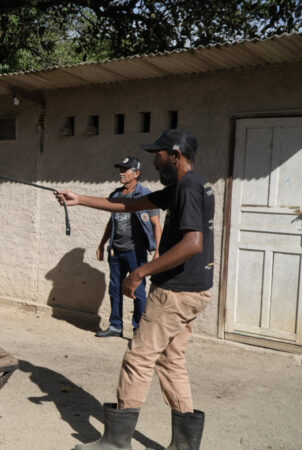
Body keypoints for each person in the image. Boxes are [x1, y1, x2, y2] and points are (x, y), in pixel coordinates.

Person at [55, 129, 214, 450]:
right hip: (196, 292)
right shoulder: (191, 185)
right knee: (170, 360)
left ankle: (115, 442)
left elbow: (193, 243)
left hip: (174, 292)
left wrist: (140, 271)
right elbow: (130, 205)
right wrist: (80, 199)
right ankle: (185, 446)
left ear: (175, 155)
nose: (155, 162)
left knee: (138, 359)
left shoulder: (187, 188)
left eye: (159, 155)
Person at [95, 156, 162, 338]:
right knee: (115, 288)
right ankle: (116, 326)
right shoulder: (115, 195)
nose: (121, 173)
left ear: (137, 173)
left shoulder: (145, 195)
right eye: (120, 170)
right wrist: (103, 243)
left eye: (125, 170)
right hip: (115, 251)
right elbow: (112, 222)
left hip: (136, 252)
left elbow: (156, 224)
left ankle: (138, 329)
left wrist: (158, 250)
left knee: (138, 291)